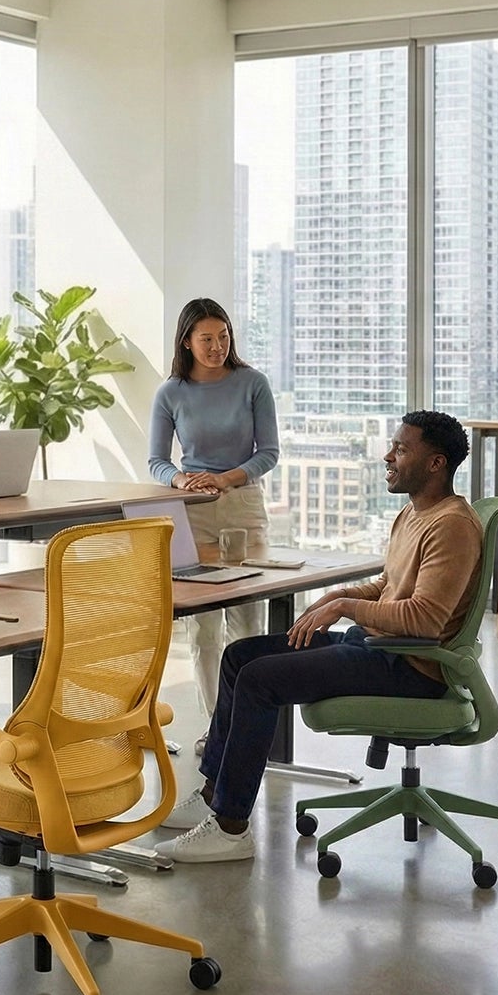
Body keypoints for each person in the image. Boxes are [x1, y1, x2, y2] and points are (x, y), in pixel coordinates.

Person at [154, 411, 482, 865]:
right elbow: (390, 585)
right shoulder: (414, 513)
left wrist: (345, 608)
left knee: (259, 681)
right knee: (238, 657)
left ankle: (231, 829)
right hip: (373, 646)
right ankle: (214, 794)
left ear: (436, 463)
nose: (388, 455)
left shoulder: (452, 525)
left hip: (409, 666)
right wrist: (342, 594)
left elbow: (425, 619)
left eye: (402, 449)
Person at [145, 298, 279, 753]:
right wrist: (182, 478)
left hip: (242, 504)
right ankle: (216, 726)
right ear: (187, 341)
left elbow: (269, 453)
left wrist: (226, 477)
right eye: (207, 338)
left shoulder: (253, 383)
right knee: (202, 628)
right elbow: (157, 461)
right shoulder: (171, 393)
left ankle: (250, 722)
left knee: (247, 621)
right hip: (192, 510)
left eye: (223, 336)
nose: (217, 346)